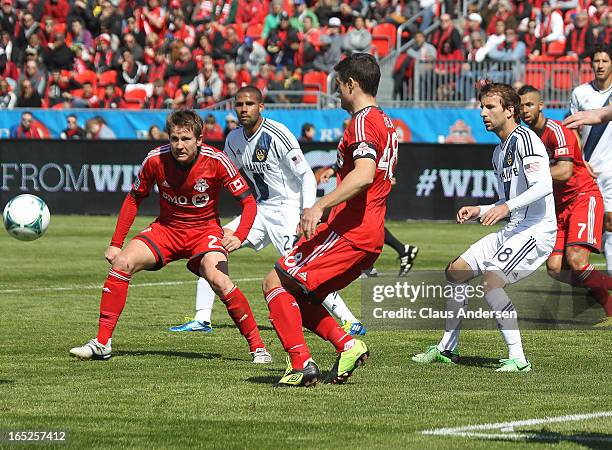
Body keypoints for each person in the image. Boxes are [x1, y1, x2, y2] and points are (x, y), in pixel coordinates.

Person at [70, 110, 272, 363]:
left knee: (219, 280)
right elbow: (134, 198)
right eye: (174, 139)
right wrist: (115, 244)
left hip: (204, 231)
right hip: (166, 230)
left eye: (186, 139)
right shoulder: (155, 159)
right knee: (122, 263)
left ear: (199, 139)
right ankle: (102, 343)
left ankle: (258, 347)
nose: (179, 145)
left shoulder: (217, 160)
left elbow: (249, 202)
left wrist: (240, 235)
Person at [169, 86, 366, 336]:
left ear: (261, 107)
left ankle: (349, 320)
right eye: (239, 104)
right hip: (261, 210)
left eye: (249, 104)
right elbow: (224, 173)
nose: (243, 109)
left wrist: (306, 211)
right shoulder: (234, 139)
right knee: (211, 245)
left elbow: (306, 174)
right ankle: (202, 318)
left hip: (287, 209)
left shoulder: (277, 134)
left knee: (301, 269)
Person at [261, 54, 397, 387]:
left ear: (351, 84)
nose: (335, 91)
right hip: (365, 234)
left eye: (338, 84)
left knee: (275, 282)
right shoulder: (384, 122)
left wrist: (319, 206)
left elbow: (365, 175)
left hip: (352, 232)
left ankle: (301, 364)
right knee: (301, 296)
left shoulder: (364, 121)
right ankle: (347, 345)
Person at [412, 82, 557, 372]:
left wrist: (506, 207)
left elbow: (543, 185)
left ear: (510, 110)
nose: (482, 113)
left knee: (492, 282)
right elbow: (508, 199)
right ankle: (447, 349)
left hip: (536, 229)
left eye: (489, 107)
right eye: (481, 106)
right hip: (516, 225)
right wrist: (481, 209)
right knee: (456, 271)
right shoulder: (499, 151)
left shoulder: (526, 140)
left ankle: (518, 359)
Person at [519, 85, 612, 325]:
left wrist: (532, 176)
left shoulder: (555, 130)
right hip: (560, 207)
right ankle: (604, 290)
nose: (525, 110)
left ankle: (609, 307)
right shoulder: (529, 138)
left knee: (577, 260)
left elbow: (565, 170)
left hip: (583, 197)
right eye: (521, 106)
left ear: (541, 106)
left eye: (529, 104)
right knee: (554, 268)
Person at [318, 167, 418, 276]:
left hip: (365, 187)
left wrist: (383, 179)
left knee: (359, 224)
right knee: (355, 223)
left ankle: (369, 266)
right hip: (359, 185)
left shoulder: (371, 152)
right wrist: (333, 170)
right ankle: (398, 252)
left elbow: (370, 162)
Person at [569, 46, 612, 276]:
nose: (601, 65)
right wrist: (579, 159)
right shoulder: (580, 93)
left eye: (605, 60)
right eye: (596, 60)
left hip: (611, 167)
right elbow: (575, 128)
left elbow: (600, 115)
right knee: (595, 224)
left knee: (610, 222)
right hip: (588, 167)